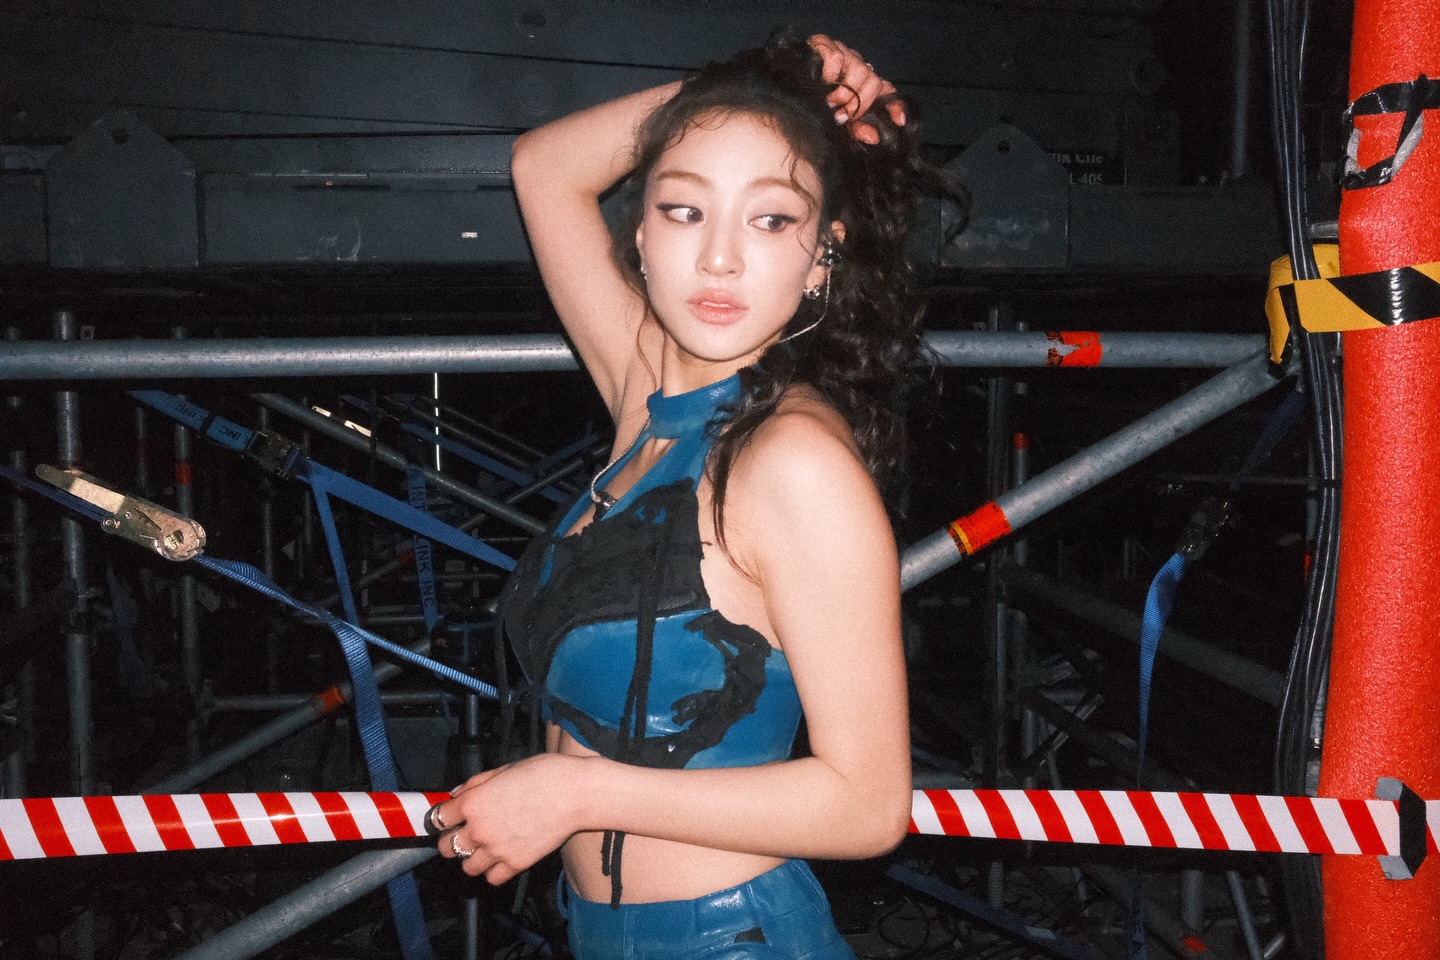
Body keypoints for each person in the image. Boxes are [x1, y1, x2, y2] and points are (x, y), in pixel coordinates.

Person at [430, 31, 951, 959]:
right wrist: (770, 81)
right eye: (683, 210)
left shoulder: (792, 461)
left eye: (771, 220)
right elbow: (545, 165)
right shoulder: (649, 399)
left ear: (822, 258)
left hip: (736, 940)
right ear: (640, 235)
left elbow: (868, 806)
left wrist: (576, 792)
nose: (719, 259)